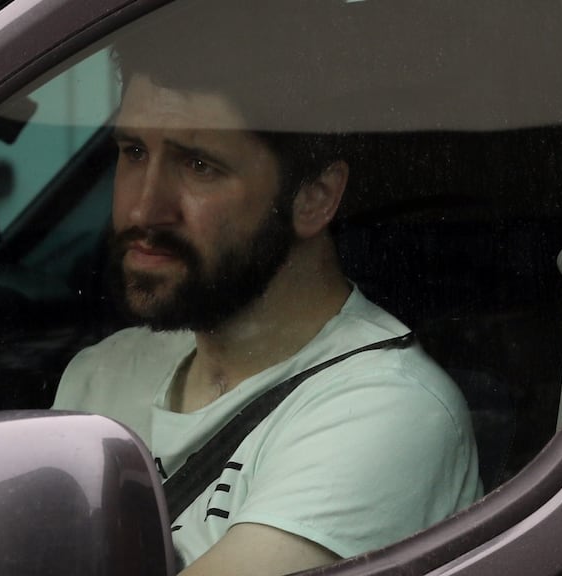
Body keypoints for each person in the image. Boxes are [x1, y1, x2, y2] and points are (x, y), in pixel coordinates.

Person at [52, 2, 482, 573]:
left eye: (199, 165)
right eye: (133, 152)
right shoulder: (103, 375)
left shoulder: (391, 412)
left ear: (314, 197)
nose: (142, 208)